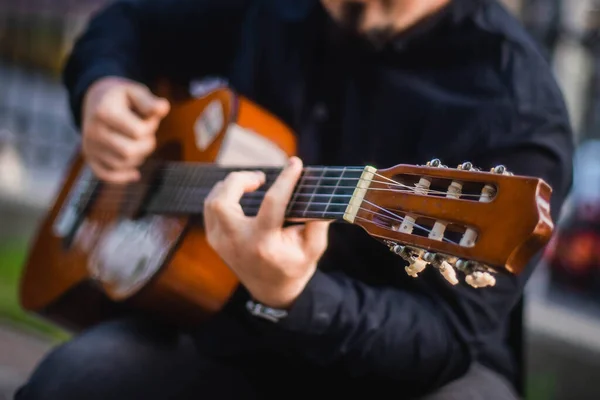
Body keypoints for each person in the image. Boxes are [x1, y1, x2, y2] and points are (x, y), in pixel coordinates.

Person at [16, 0, 574, 398]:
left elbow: (443, 336)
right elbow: (127, 22)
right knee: (77, 377)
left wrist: (294, 296)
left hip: (402, 368)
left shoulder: (514, 108)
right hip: (227, 323)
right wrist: (102, 88)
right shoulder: (272, 9)